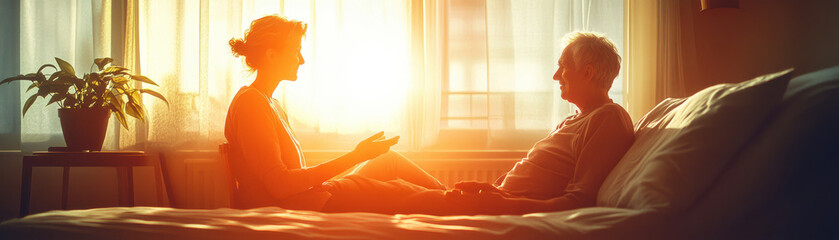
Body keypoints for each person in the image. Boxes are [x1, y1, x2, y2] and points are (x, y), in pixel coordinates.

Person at [224, 14, 445, 213]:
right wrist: (356, 156)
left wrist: (354, 159)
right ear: (271, 55)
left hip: (311, 196)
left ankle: (451, 193)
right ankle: (456, 200)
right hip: (300, 206)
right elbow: (280, 185)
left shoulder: (271, 103)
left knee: (388, 160)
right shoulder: (251, 104)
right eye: (295, 50)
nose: (302, 59)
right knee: (402, 192)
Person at [396, 31, 635, 215]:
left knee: (383, 191)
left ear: (587, 73)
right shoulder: (573, 120)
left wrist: (500, 204)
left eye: (563, 67)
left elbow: (579, 201)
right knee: (389, 162)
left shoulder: (608, 118)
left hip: (496, 207)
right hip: (494, 198)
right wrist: (491, 190)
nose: (555, 76)